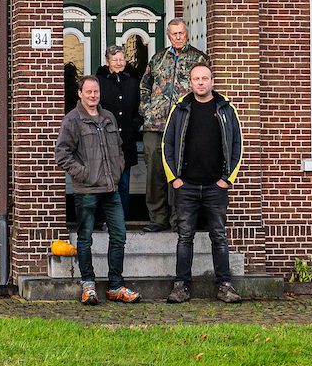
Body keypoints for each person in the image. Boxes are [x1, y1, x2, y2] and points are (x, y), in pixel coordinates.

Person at [160, 61, 243, 304]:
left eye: (205, 78)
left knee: (219, 236)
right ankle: (181, 286)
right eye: (196, 79)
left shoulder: (226, 109)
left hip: (215, 186)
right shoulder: (180, 108)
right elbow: (168, 145)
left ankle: (224, 285)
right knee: (185, 237)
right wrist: (174, 179)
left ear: (212, 82)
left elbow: (237, 144)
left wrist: (227, 180)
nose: (200, 83)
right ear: (190, 82)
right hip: (185, 186)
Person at [53, 73, 139, 305]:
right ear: (80, 93)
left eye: (96, 91)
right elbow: (62, 155)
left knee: (119, 235)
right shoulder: (72, 120)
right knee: (85, 238)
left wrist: (118, 169)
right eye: (88, 91)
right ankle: (88, 284)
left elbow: (119, 149)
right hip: (87, 192)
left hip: (111, 190)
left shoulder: (108, 117)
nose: (93, 95)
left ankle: (115, 285)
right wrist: (86, 174)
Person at [138, 18, 207, 233]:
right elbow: (144, 86)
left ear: (187, 34)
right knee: (155, 173)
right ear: (168, 35)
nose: (178, 37)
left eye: (181, 33)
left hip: (184, 126)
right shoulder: (157, 58)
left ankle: (180, 220)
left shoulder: (198, 59)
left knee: (182, 174)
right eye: (174, 33)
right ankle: (157, 218)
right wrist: (147, 110)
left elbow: (205, 88)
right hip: (155, 126)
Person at [95, 44, 142, 221]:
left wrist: (133, 125)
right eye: (115, 59)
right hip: (104, 142)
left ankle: (120, 220)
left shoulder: (133, 82)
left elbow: (140, 109)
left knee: (123, 183)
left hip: (126, 142)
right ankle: (104, 219)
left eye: (121, 59)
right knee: (105, 184)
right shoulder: (98, 82)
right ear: (107, 62)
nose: (119, 62)